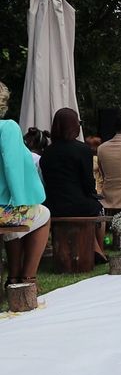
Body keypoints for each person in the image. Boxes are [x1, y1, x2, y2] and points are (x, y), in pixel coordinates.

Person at [40, 108, 108, 262]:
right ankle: (99, 250)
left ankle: (95, 249)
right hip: (77, 203)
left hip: (53, 205)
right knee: (98, 208)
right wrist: (91, 193)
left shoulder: (47, 152)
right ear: (74, 125)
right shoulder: (82, 149)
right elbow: (88, 182)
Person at [0, 82, 50, 288]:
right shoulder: (7, 127)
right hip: (2, 209)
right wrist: (19, 201)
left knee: (13, 225)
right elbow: (13, 167)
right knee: (43, 215)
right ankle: (27, 279)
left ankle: (13, 277)